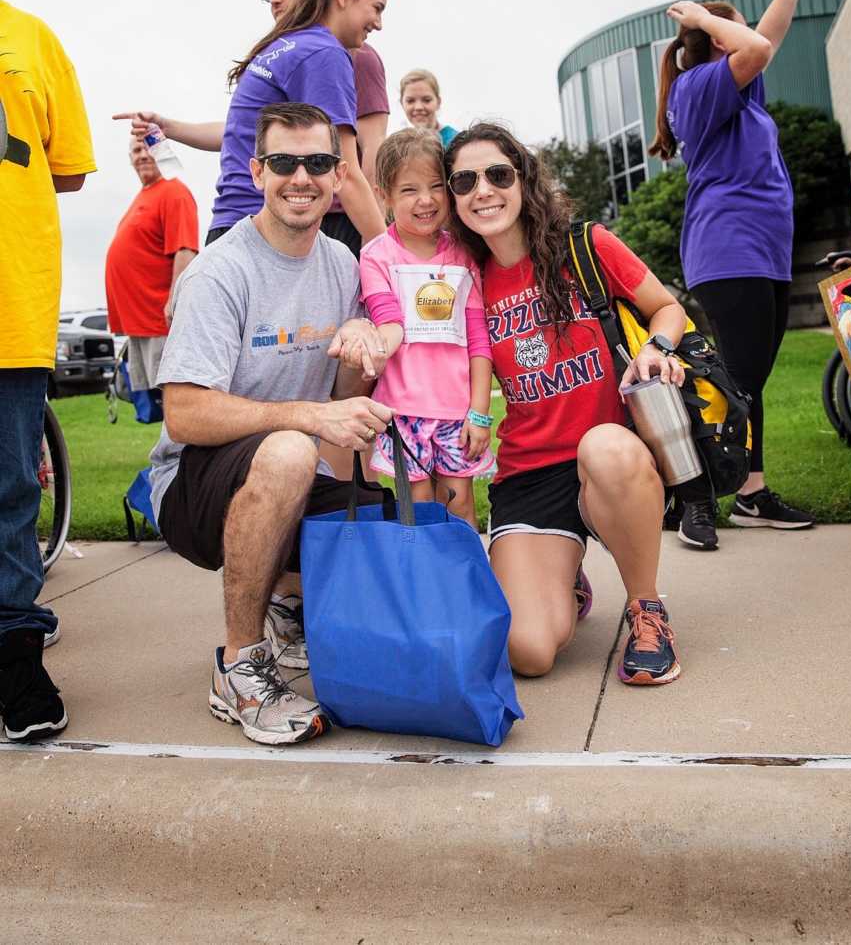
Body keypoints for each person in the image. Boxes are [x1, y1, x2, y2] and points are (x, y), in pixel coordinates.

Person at [148, 102, 392, 746]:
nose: (301, 178)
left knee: (385, 526)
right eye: (284, 163)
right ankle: (238, 666)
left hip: (282, 474)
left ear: (340, 177)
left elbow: (343, 394)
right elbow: (184, 412)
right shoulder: (220, 271)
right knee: (288, 450)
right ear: (257, 172)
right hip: (190, 487)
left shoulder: (342, 264)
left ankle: (288, 604)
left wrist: (359, 345)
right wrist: (309, 417)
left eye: (317, 163)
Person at [445, 122, 685, 685]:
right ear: (453, 199)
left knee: (604, 448)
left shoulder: (586, 246)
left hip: (612, 453)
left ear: (524, 181)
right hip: (530, 473)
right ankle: (566, 578)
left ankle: (647, 608)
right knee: (526, 652)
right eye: (464, 181)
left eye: (498, 175)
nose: (483, 190)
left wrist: (658, 347)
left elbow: (666, 308)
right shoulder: (465, 279)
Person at [649, 0, 815, 551]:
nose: (743, 37)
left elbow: (762, 40)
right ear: (718, 41)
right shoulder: (699, 87)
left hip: (763, 252)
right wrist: (698, 19)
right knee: (732, 382)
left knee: (750, 381)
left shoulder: (739, 89)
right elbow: (757, 45)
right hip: (729, 249)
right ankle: (691, 496)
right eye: (729, 29)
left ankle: (749, 493)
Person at [115, 0, 388, 256]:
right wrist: (389, 257)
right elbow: (349, 171)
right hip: (266, 230)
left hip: (230, 225)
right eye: (376, 8)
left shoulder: (282, 48)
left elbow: (242, 130)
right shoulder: (324, 53)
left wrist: (169, 126)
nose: (378, 23)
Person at [0, 0, 95, 740]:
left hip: (9, 301)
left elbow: (67, 167)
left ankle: (15, 655)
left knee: (5, 489)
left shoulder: (32, 38)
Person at [352, 128, 494, 528]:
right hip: (402, 413)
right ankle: (422, 585)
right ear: (385, 197)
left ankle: (462, 584)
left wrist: (480, 412)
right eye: (410, 190)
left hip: (457, 412)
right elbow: (389, 320)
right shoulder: (376, 256)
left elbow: (479, 341)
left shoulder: (466, 255)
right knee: (416, 509)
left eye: (436, 187)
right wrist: (374, 345)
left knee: (460, 503)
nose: (426, 200)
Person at [262, 0, 390, 190]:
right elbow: (244, 131)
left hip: (341, 208)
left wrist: (376, 220)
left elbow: (372, 144)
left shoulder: (353, 55)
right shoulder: (284, 55)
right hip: (290, 199)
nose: (274, 0)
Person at [104, 136, 199, 390]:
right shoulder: (144, 195)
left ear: (162, 151)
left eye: (149, 148)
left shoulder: (173, 191)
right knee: (156, 404)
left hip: (160, 320)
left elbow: (186, 249)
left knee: (175, 397)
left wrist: (174, 301)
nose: (143, 155)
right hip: (140, 322)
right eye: (136, 150)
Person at [400, 69, 458, 147]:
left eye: (426, 100)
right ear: (401, 103)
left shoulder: (455, 142)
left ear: (438, 102)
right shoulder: (400, 146)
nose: (418, 107)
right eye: (410, 101)